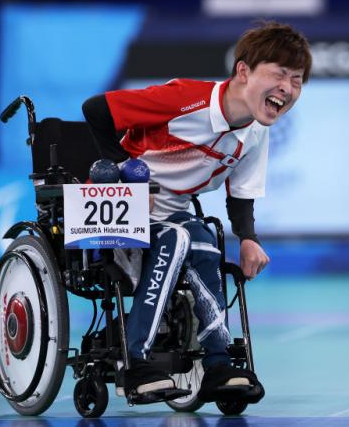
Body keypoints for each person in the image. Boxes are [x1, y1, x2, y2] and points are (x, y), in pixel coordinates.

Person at [82, 21, 312, 401]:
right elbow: (95, 110)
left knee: (204, 241)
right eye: (279, 74)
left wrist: (250, 239)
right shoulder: (186, 99)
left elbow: (240, 195)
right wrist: (128, 178)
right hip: (119, 215)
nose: (288, 88)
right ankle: (135, 362)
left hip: (172, 221)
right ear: (243, 71)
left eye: (298, 80)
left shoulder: (256, 132)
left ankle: (219, 365)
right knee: (178, 237)